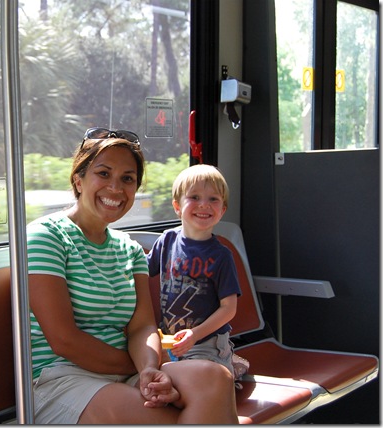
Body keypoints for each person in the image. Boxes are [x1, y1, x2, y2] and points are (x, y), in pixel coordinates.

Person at [26, 128, 239, 424]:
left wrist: (149, 369)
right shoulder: (46, 237)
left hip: (126, 371)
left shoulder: (130, 249)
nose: (116, 188)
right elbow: (64, 340)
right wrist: (141, 368)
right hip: (62, 377)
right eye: (103, 173)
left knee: (215, 378)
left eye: (127, 179)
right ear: (78, 179)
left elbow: (142, 327)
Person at [147, 164, 242, 378]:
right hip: (170, 340)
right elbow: (140, 270)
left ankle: (227, 362)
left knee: (200, 379)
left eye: (213, 199)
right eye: (195, 197)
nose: (204, 205)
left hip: (206, 342)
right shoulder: (167, 241)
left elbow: (228, 309)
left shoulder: (221, 256)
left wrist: (195, 334)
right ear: (177, 206)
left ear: (222, 210)